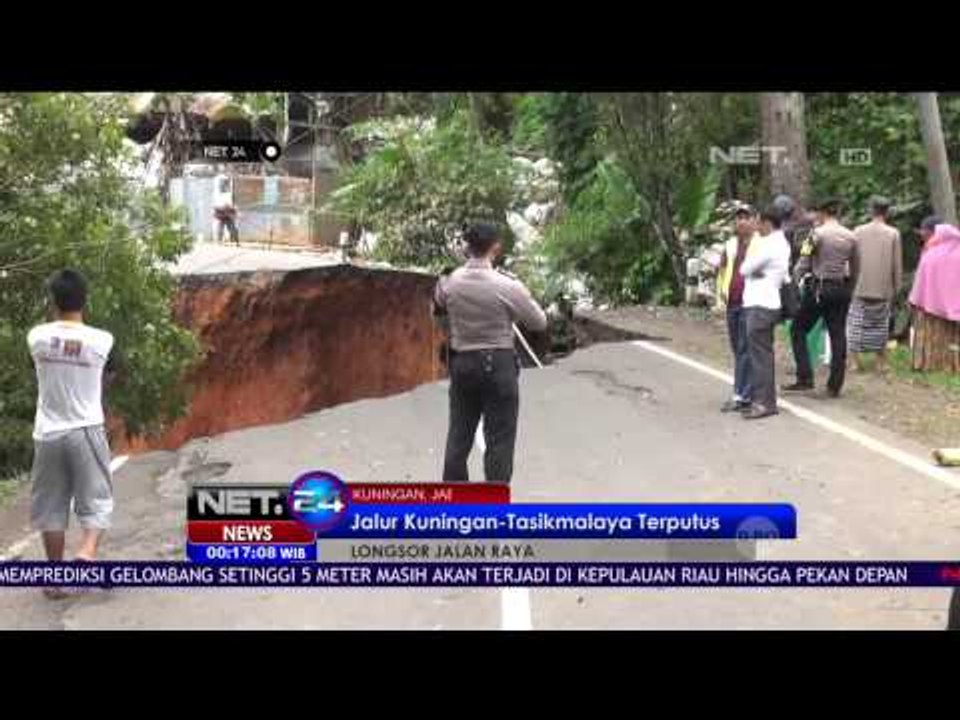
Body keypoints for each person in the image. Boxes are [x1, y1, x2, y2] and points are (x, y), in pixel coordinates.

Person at [435, 223, 547, 483]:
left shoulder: (450, 282)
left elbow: (438, 310)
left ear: (466, 247)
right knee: (499, 441)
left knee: (458, 438)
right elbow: (539, 322)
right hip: (499, 366)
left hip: (462, 364)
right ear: (495, 247)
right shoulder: (507, 286)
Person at [27, 270, 115, 598]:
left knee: (50, 506)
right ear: (85, 299)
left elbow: (35, 368)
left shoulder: (36, 337)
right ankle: (87, 553)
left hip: (47, 433)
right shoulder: (102, 340)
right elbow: (114, 372)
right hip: (87, 429)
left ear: (53, 302)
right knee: (97, 498)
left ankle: (53, 578)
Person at [783, 198, 858, 397]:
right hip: (841, 289)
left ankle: (805, 377)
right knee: (838, 334)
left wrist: (793, 282)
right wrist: (850, 288)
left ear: (822, 214)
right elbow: (855, 267)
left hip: (819, 289)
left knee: (798, 328)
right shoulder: (851, 236)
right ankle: (835, 385)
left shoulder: (815, 234)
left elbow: (804, 261)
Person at [739, 206, 791, 420]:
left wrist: (753, 271)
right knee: (764, 355)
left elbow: (743, 269)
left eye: (759, 222)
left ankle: (763, 403)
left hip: (760, 305)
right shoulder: (781, 242)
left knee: (759, 356)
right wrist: (754, 272)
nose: (756, 226)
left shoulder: (770, 245)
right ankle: (764, 400)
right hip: (767, 303)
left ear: (768, 223)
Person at [848, 196, 902, 373]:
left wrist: (850, 281)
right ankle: (881, 362)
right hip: (883, 287)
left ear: (871, 210)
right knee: (881, 326)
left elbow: (851, 260)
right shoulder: (893, 233)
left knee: (855, 325)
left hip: (860, 285)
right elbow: (896, 265)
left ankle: (854, 362)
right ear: (887, 212)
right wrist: (897, 287)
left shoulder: (858, 231)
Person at [716, 202, 759, 413]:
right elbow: (722, 269)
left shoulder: (761, 243)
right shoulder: (731, 244)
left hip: (751, 302)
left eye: (746, 217)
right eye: (738, 217)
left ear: (755, 220)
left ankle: (741, 395)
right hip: (732, 301)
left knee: (744, 348)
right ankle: (747, 390)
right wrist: (721, 294)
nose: (741, 221)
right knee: (738, 348)